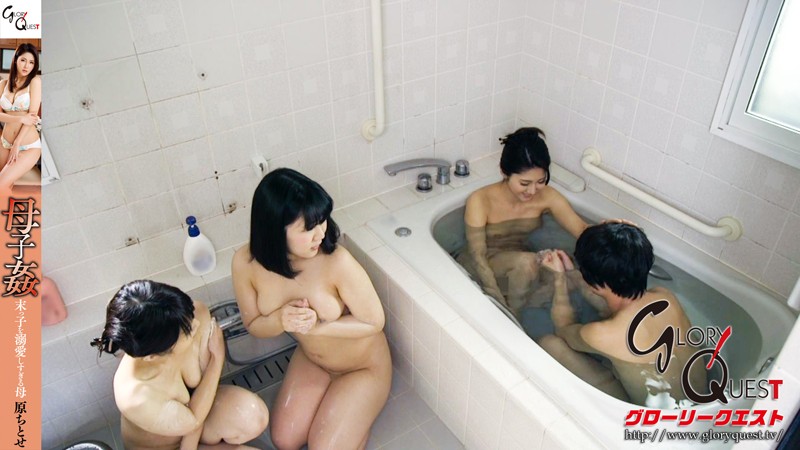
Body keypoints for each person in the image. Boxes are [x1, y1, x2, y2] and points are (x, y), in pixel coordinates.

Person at [232, 168, 391, 450]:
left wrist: (319, 327)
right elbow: (253, 324)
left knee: (323, 447)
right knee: (284, 440)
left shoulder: (336, 261)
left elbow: (374, 322)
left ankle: (353, 421)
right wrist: (281, 320)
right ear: (275, 231)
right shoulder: (246, 263)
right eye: (308, 228)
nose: (321, 234)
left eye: (322, 220)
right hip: (313, 360)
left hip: (362, 367)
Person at [537, 223, 707, 407]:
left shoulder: (600, 334)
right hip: (699, 404)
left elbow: (563, 329)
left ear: (596, 285)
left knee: (550, 343)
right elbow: (618, 307)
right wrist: (575, 276)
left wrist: (559, 280)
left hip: (652, 418)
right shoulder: (665, 297)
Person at [91, 280, 269, 450]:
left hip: (195, 423)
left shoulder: (182, 320)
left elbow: (196, 417)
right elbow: (192, 421)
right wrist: (217, 358)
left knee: (253, 416)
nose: (196, 324)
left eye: (188, 316)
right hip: (165, 446)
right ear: (152, 356)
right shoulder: (138, 397)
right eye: (188, 330)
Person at [457, 127, 589, 311]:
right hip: (483, 265)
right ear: (504, 172)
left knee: (574, 274)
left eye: (541, 181)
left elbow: (582, 231)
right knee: (527, 263)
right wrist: (496, 299)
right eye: (524, 183)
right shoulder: (481, 200)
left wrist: (611, 235)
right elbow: (477, 255)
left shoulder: (547, 196)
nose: (532, 191)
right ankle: (516, 317)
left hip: (522, 265)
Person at [0, 43, 42, 199]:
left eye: (31, 62)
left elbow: (32, 115)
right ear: (15, 60)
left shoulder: (35, 82)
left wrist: (17, 143)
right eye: (23, 60)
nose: (27, 66)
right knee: (6, 186)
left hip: (27, 145)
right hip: (5, 143)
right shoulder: (3, 84)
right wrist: (20, 118)